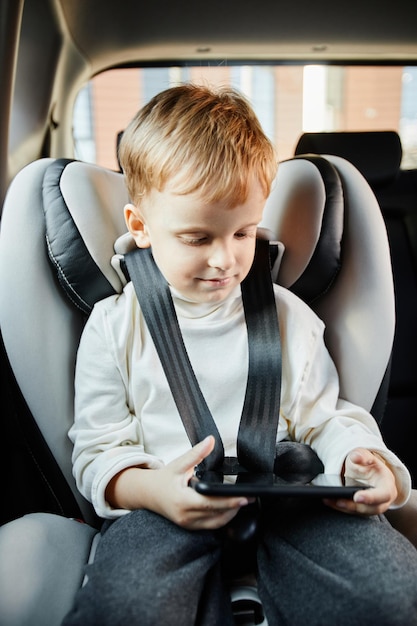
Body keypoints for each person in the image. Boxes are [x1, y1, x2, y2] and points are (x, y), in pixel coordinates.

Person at [62, 84, 417, 626]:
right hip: (163, 503)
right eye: (197, 237)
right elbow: (98, 451)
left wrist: (357, 459)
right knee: (126, 609)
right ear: (141, 227)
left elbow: (326, 418)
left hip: (291, 497)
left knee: (388, 599)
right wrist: (151, 490)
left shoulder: (287, 317)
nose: (225, 258)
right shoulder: (115, 327)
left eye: (244, 232)